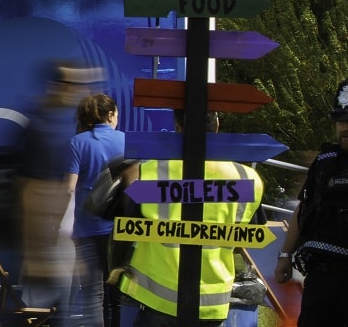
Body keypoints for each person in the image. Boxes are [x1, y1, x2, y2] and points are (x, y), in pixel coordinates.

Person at [117, 111, 263, 326]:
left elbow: (127, 228)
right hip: (213, 301)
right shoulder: (247, 179)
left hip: (158, 299)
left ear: (177, 128)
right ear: (217, 126)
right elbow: (253, 233)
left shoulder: (150, 172)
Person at [16, 61, 102, 324]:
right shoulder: (40, 128)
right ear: (59, 87)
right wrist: (38, 255)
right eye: (75, 84)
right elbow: (30, 194)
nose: (81, 90)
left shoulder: (61, 126)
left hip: (61, 243)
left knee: (58, 316)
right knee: (45, 317)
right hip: (48, 245)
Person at [274, 78, 348, 326]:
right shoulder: (326, 162)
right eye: (340, 121)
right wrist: (285, 255)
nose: (344, 128)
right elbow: (304, 209)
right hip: (321, 278)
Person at [65, 93, 125, 327]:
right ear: (110, 115)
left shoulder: (77, 143)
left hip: (87, 228)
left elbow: (69, 188)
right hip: (120, 230)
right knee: (116, 297)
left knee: (93, 296)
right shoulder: (126, 141)